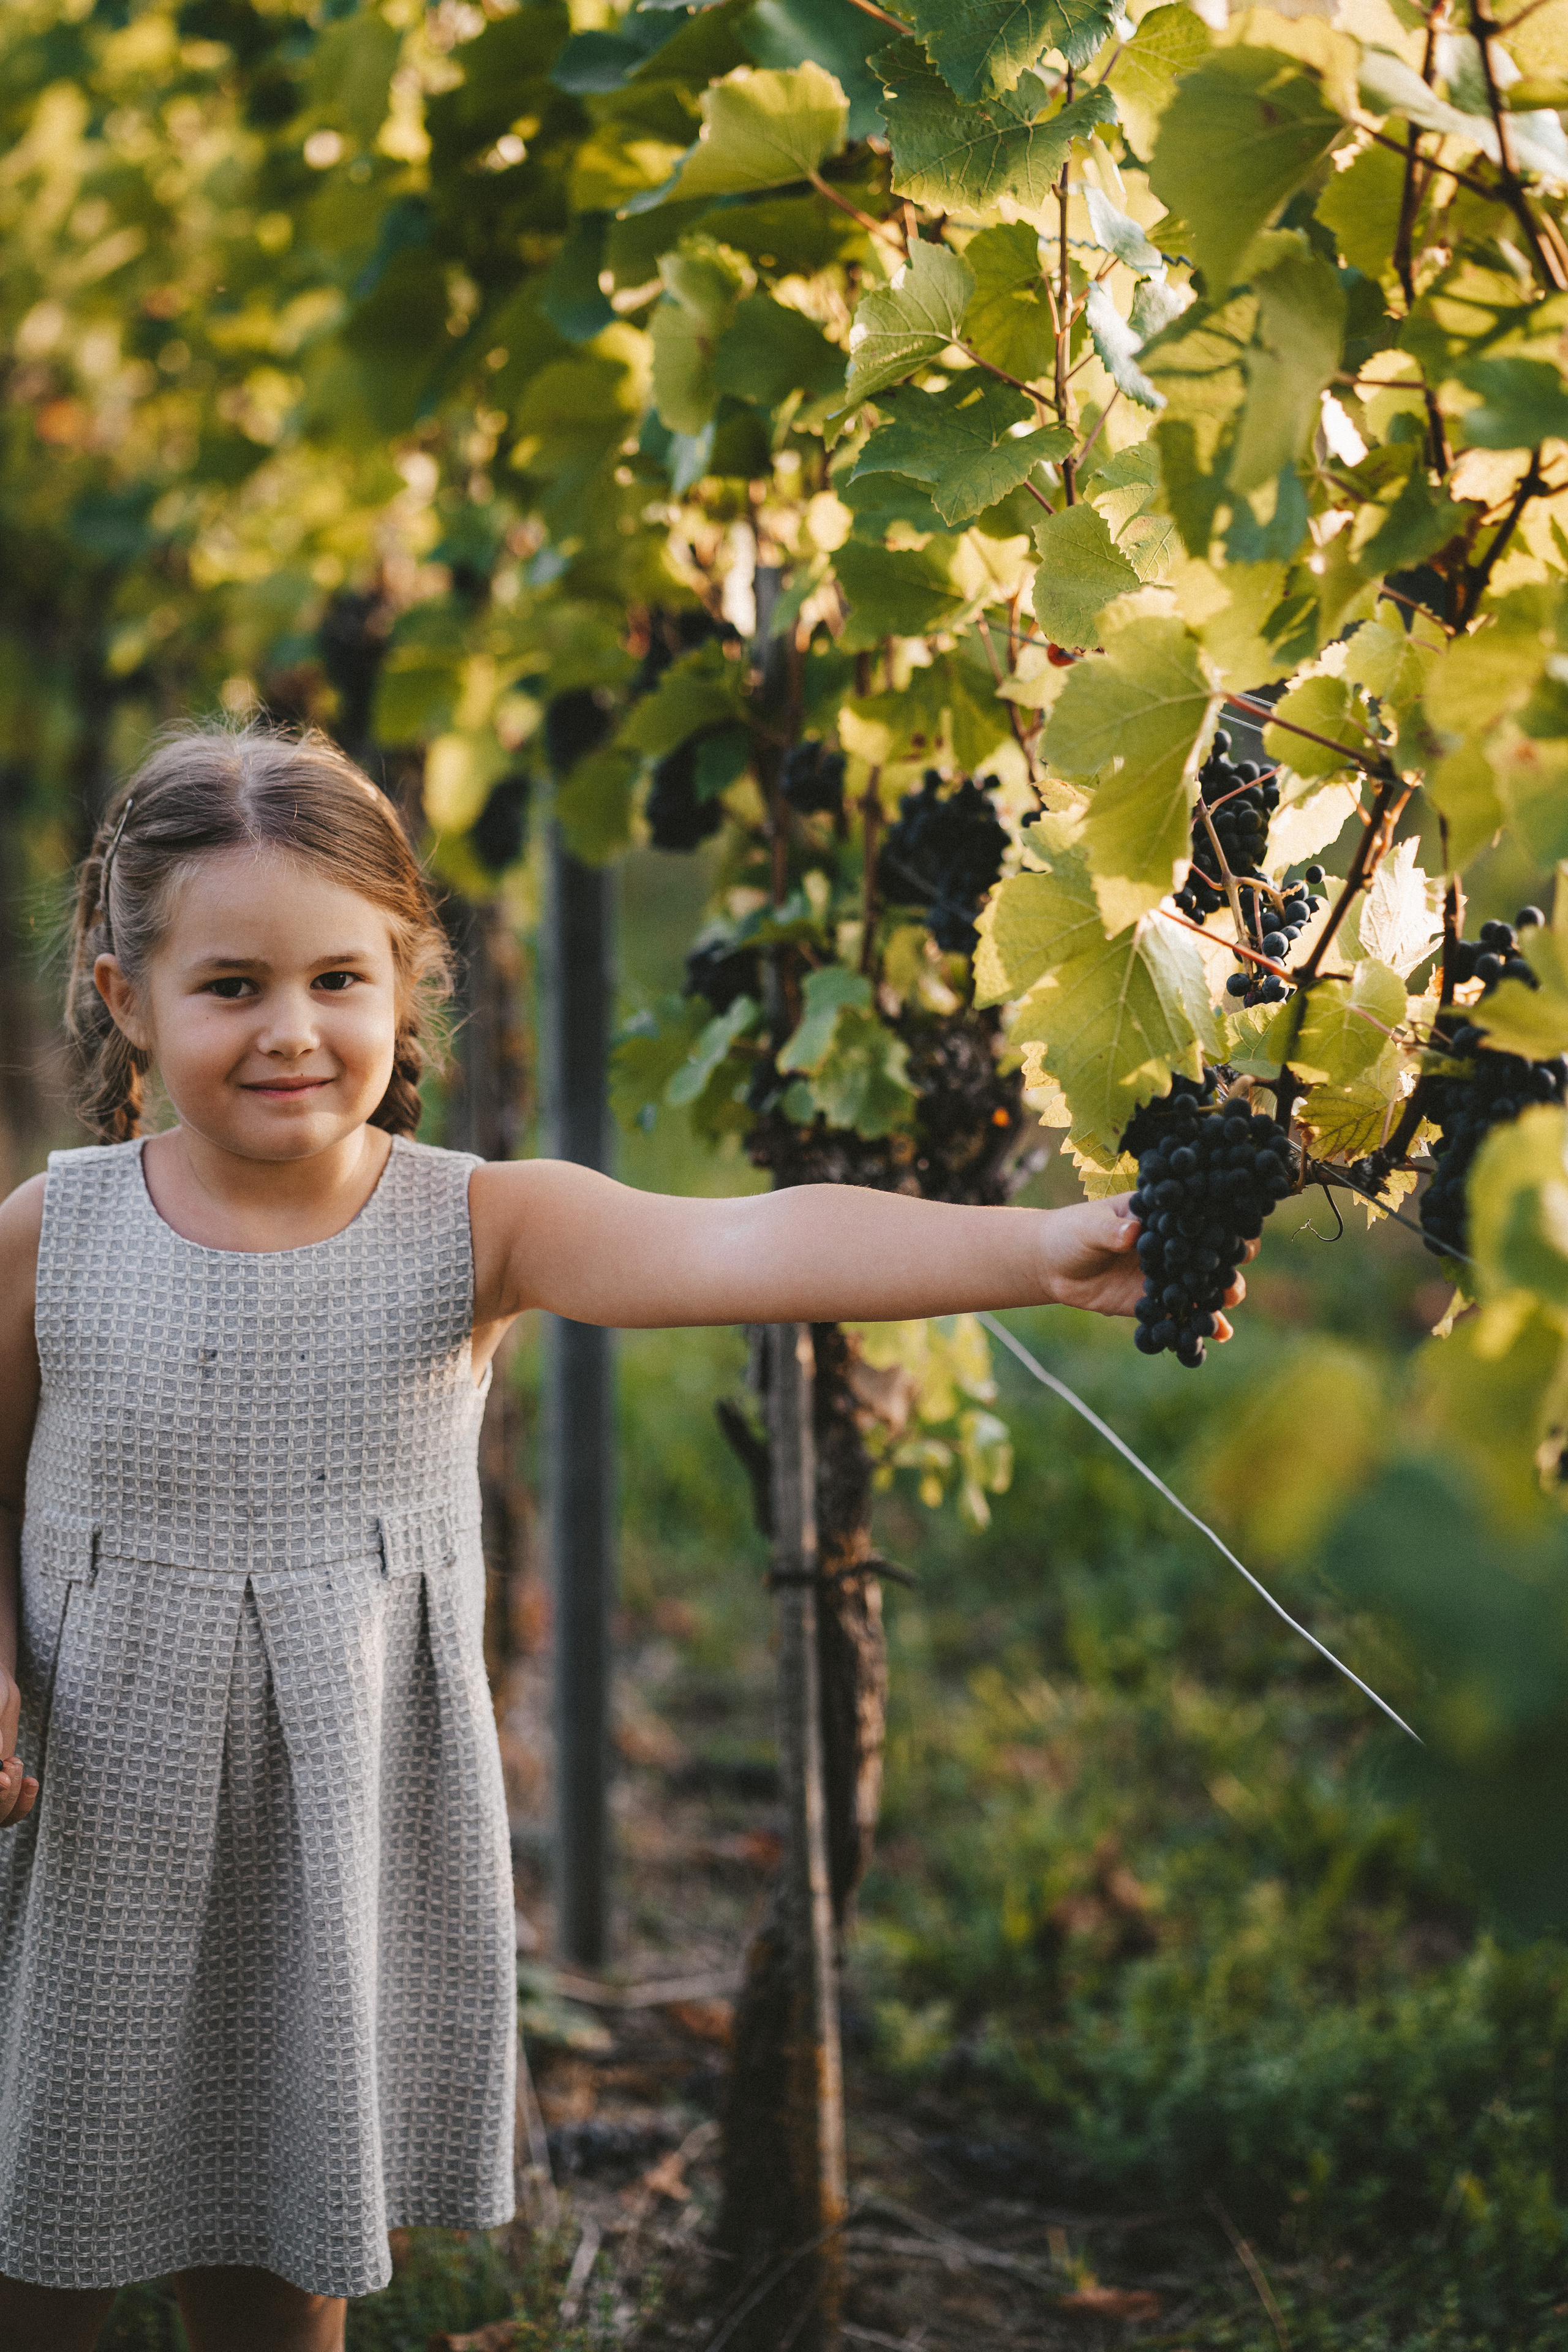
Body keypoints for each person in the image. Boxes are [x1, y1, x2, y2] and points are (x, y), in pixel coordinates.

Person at [0, 722, 1246, 2352]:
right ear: (125, 1001)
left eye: (338, 981)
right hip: (94, 1812)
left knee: (273, 2234)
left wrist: (1037, 1245)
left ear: (405, 981)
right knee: (45, 2230)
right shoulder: (56, 1232)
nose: (292, 1030)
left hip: (331, 1831)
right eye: (231, 986)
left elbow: (750, 1239)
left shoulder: (475, 1222)